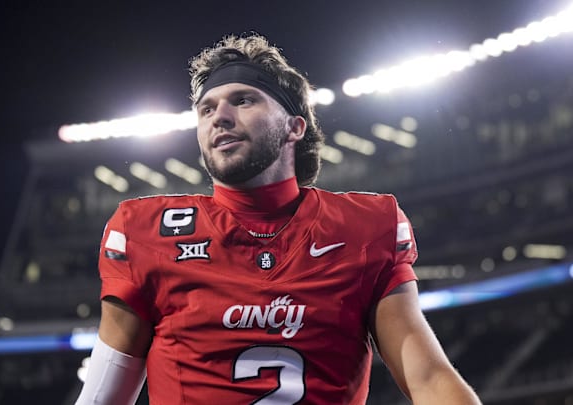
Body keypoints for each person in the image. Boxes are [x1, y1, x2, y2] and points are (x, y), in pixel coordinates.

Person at [75, 33, 481, 405]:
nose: (219, 116)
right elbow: (103, 398)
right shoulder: (146, 231)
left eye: (244, 100)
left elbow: (427, 378)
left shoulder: (365, 227)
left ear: (294, 126)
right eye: (206, 109)